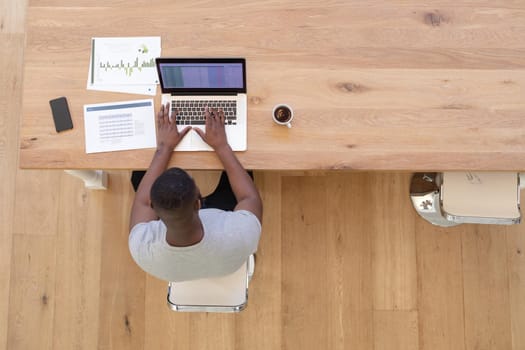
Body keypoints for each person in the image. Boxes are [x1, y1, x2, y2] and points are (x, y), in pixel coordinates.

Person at [128, 103, 263, 282]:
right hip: (224, 252)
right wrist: (221, 146)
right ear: (198, 203)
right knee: (243, 173)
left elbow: (141, 202)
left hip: (183, 268)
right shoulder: (239, 234)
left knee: (139, 177)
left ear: (153, 206)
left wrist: (164, 148)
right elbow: (249, 197)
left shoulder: (142, 247)